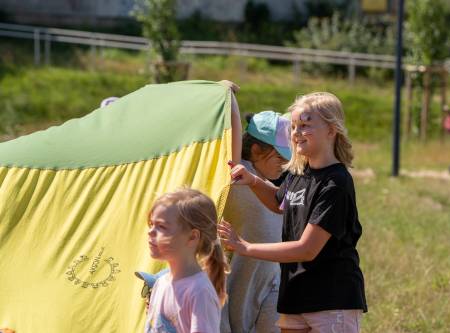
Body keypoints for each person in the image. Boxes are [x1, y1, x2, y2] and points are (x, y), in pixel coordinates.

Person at [219, 92, 367, 333]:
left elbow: (307, 249)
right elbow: (279, 203)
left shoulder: (336, 182)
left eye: (306, 125)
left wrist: (245, 248)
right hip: (295, 297)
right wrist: (254, 181)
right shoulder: (299, 174)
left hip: (330, 300)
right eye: (295, 126)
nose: (297, 132)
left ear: (332, 130)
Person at [220, 111, 291, 333]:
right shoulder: (238, 172)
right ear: (256, 149)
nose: (285, 164)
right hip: (235, 282)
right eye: (280, 157)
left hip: (271, 284)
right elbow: (230, 134)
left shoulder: (276, 186)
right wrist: (230, 99)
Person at [144, 188, 229, 333]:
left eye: (161, 227)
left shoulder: (199, 292)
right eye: (151, 224)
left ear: (192, 237)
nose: (150, 232)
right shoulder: (160, 283)